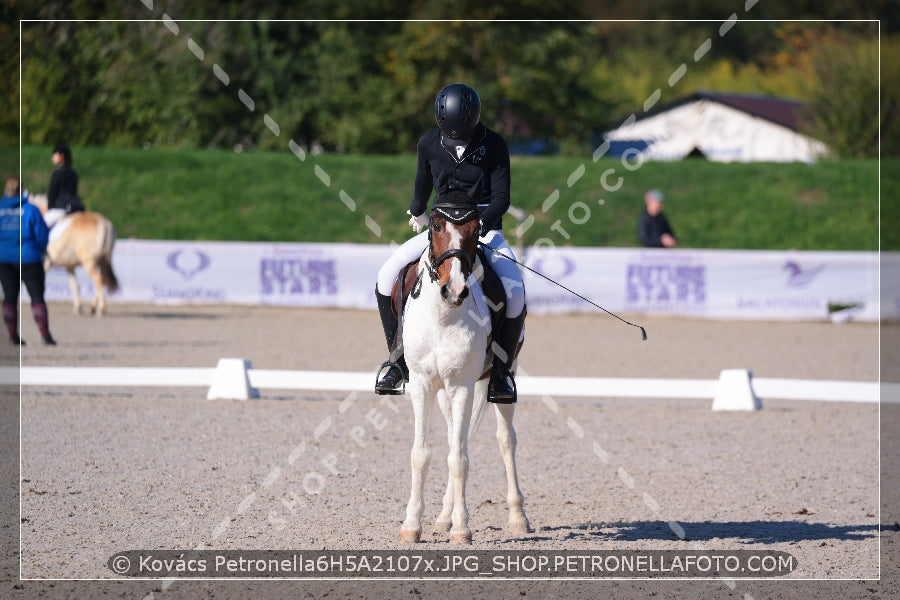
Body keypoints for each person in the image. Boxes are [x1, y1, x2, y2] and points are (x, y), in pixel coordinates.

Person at [374, 82, 526, 402]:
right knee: (387, 276)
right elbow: (421, 191)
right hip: (442, 231)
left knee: (514, 291)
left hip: (483, 228)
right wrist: (418, 215)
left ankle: (501, 374)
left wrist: (476, 227)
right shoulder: (429, 143)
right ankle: (396, 360)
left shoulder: (494, 144)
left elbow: (502, 197)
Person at [0, 177, 56, 345]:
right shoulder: (31, 209)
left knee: (9, 297)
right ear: (21, 190)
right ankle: (45, 335)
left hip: (4, 259)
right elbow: (41, 234)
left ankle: (12, 336)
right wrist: (39, 250)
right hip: (29, 258)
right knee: (37, 297)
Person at [45, 143, 84, 228]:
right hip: (75, 207)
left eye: (54, 154)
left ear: (61, 155)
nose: (52, 157)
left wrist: (50, 208)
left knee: (42, 226)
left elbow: (52, 194)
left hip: (60, 208)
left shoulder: (57, 173)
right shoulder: (73, 173)